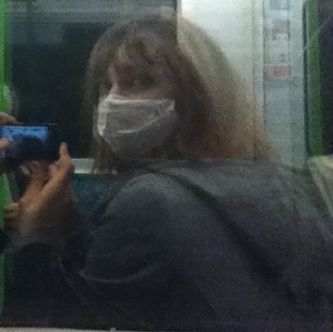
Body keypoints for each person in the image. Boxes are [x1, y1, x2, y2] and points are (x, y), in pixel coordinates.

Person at [4, 16, 333, 331]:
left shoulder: (146, 200)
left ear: (197, 97)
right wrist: (66, 227)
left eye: (139, 82)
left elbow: (86, 319)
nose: (113, 101)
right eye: (105, 87)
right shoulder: (282, 180)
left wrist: (36, 233)